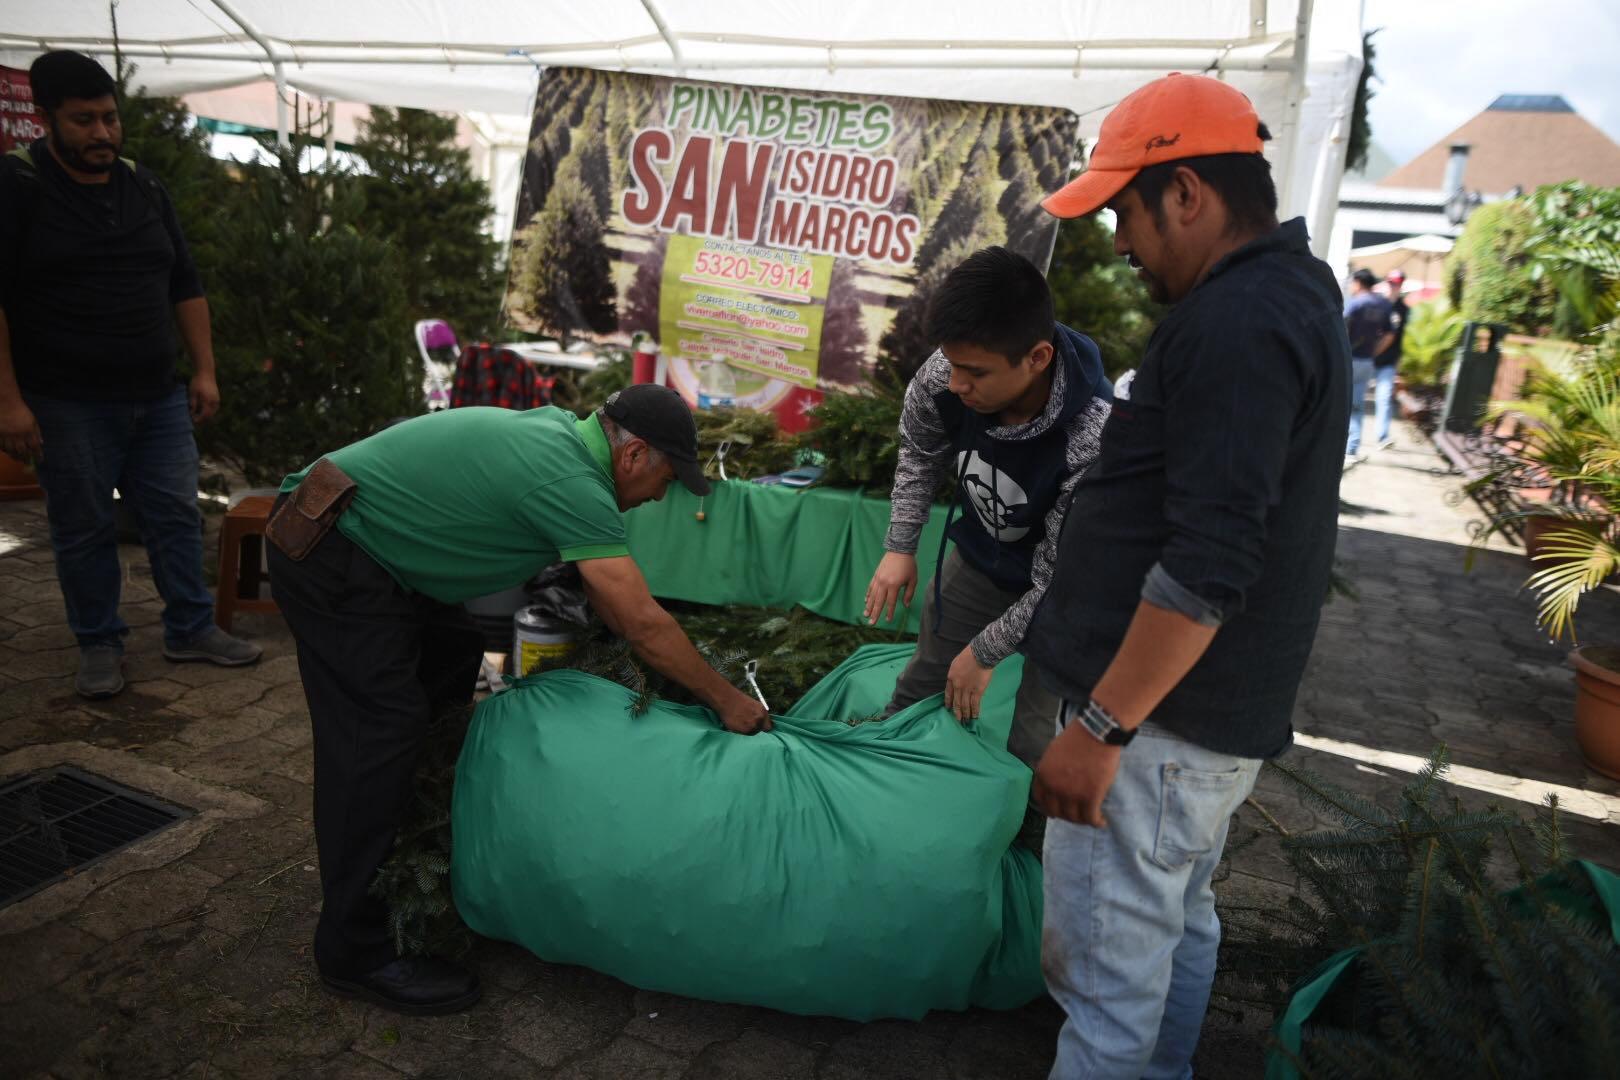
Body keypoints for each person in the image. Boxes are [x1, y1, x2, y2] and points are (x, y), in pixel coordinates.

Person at [1025, 72, 1349, 1078]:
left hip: (1158, 731)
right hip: (1204, 724)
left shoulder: (1237, 323)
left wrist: (1101, 727)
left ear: (1188, 195)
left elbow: (1210, 559)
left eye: (1125, 209)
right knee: (1176, 924)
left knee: (1106, 988)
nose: (1119, 242)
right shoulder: (1294, 287)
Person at [267, 384, 771, 1016]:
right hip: (334, 545)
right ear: (635, 453)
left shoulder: (565, 445)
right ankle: (354, 949)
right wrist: (728, 701)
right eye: (668, 479)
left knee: (450, 668)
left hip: (387, 556)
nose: (660, 496)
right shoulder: (571, 478)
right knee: (376, 734)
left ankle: (415, 851)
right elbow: (638, 621)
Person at [0, 51, 261, 700]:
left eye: (110, 119)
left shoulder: (144, 186)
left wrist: (204, 370)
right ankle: (98, 644)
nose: (103, 134)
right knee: (84, 525)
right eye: (83, 121)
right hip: (66, 402)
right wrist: (8, 402)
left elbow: (185, 284)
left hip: (159, 395)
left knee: (175, 515)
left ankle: (191, 628)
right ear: (45, 119)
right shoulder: (18, 186)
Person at [864, 246, 1111, 849]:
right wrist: (901, 546)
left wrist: (987, 650)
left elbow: (1061, 579)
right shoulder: (947, 374)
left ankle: (1022, 850)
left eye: (975, 372)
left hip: (1061, 590)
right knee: (921, 682)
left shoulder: (1091, 434)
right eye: (951, 365)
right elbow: (920, 452)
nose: (956, 384)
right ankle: (880, 804)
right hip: (978, 557)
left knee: (1032, 732)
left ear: (1037, 358)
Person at [1343, 267, 1394, 463]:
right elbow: (1390, 334)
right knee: (1357, 405)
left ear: (1358, 282)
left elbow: (1340, 329)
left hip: (1349, 359)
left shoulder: (1355, 304)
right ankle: (1352, 448)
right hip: (1367, 361)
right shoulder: (1383, 305)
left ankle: (1338, 447)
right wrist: (1374, 351)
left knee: (1339, 404)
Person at [1373, 268, 1409, 450]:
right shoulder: (1377, 303)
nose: (1394, 286)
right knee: (1352, 397)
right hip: (1367, 358)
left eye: (1397, 283)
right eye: (1392, 283)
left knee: (1384, 397)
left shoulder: (1404, 309)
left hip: (1388, 360)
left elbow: (1399, 337)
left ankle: (1382, 436)